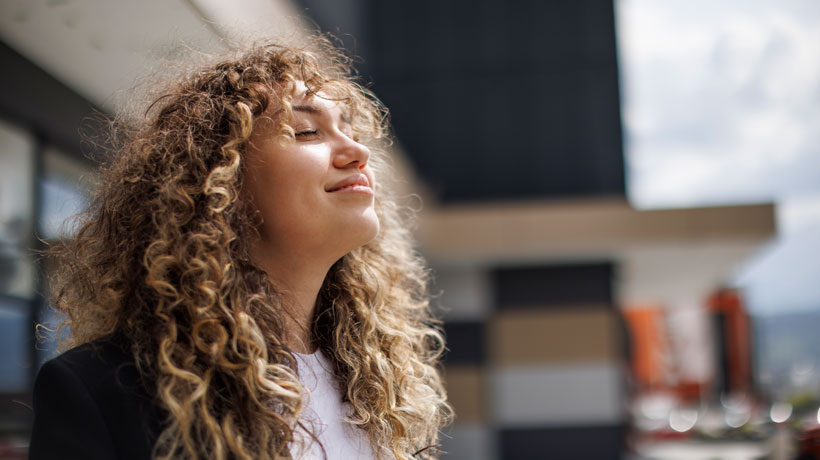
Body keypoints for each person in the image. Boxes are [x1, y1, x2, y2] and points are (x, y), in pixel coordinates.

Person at [29, 37, 451, 460]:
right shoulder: (102, 391)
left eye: (352, 131)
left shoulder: (379, 387)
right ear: (221, 181)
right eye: (306, 131)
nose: (358, 151)